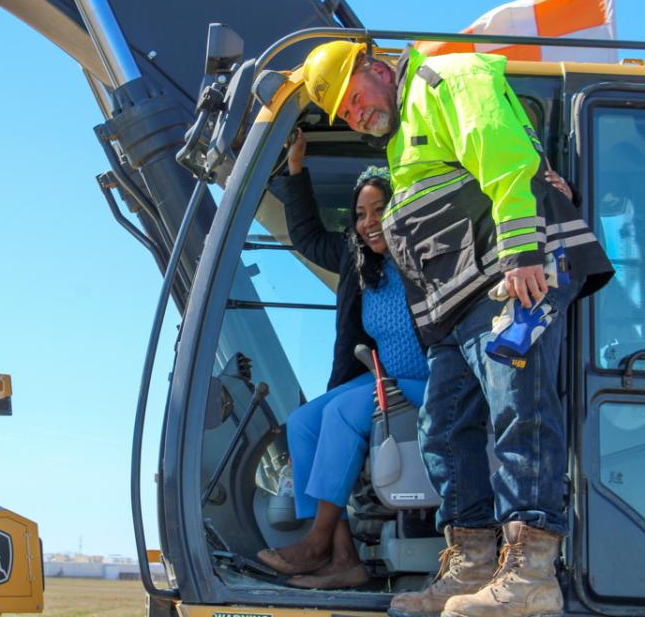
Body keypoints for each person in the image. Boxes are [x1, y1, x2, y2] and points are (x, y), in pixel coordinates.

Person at [299, 41, 613, 617]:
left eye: (353, 99)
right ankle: (469, 566)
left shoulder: (444, 79)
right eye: (344, 114)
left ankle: (531, 575)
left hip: (510, 276)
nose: (356, 115)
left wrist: (521, 249)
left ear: (374, 66)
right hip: (456, 306)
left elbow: (502, 151)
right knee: (443, 425)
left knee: (522, 409)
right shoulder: (400, 139)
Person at [256, 129, 429, 590]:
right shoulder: (359, 260)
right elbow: (309, 237)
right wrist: (295, 169)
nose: (369, 222)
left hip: (432, 380)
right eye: (360, 214)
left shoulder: (429, 259)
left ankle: (315, 543)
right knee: (305, 421)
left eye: (380, 210)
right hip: (385, 379)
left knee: (341, 412)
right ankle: (342, 554)